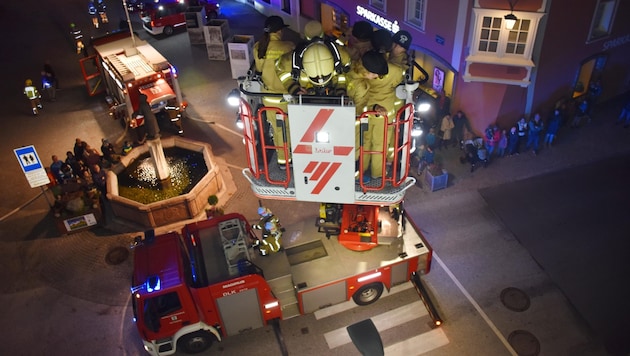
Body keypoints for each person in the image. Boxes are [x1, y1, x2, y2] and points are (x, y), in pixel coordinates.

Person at [253, 16, 295, 169]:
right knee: (290, 128)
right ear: (279, 30)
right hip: (286, 97)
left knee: (278, 130)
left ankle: (284, 160)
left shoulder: (258, 47)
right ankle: (291, 156)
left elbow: (258, 70)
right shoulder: (288, 47)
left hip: (268, 97)